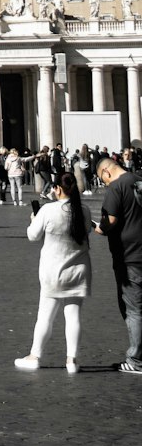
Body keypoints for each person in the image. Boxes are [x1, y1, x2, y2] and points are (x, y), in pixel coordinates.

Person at [14, 171, 94, 373]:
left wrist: (34, 218)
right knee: (73, 316)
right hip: (78, 270)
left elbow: (33, 236)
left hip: (53, 271)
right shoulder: (83, 210)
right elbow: (87, 230)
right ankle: (72, 360)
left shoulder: (48, 210)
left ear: (57, 189)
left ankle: (35, 355)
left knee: (45, 317)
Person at [95, 156, 142, 373]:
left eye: (102, 180)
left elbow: (109, 222)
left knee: (133, 309)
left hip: (128, 255)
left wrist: (96, 226)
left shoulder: (115, 187)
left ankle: (136, 360)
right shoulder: (137, 179)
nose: (104, 183)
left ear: (106, 172)